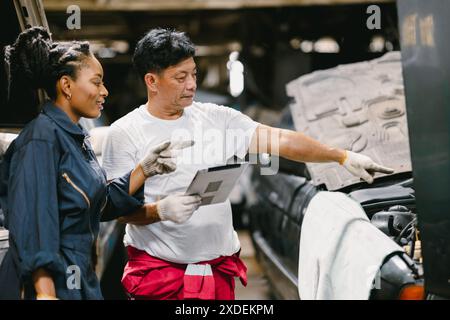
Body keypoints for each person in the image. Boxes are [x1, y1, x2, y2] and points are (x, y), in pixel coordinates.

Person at [101, 28, 394, 300]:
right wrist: (159, 211)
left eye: (193, 74)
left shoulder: (216, 118)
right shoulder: (125, 133)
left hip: (218, 272)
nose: (191, 85)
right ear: (152, 81)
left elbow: (279, 139)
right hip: (161, 276)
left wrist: (342, 156)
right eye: (180, 77)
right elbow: (116, 211)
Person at [0, 27, 197, 300]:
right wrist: (45, 292)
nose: (104, 91)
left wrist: (144, 169)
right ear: (66, 86)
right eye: (96, 82)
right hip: (49, 281)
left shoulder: (74, 137)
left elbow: (98, 204)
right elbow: (34, 221)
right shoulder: (42, 138)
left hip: (78, 273)